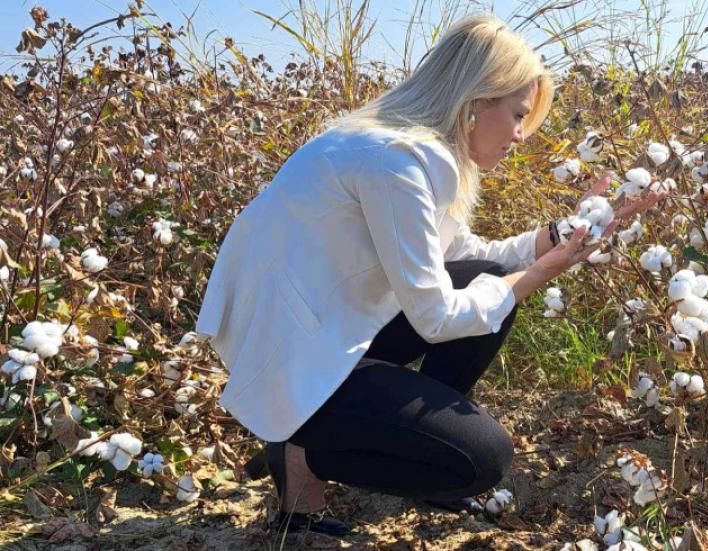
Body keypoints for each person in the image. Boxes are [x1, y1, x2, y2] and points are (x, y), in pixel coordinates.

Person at [195, 14, 664, 537]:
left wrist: (566, 232)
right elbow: (435, 317)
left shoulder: (398, 147)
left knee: (485, 275)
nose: (519, 135)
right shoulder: (395, 162)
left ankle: (395, 442)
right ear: (475, 100)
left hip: (317, 330)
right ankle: (302, 450)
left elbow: (466, 256)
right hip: (291, 357)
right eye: (517, 115)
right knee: (482, 459)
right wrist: (535, 275)